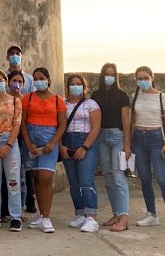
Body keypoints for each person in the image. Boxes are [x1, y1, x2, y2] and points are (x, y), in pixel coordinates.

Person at [129, 66, 165, 231]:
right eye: (139, 78)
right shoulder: (134, 96)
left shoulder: (162, 97)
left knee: (162, 178)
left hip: (156, 138)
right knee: (144, 178)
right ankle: (152, 214)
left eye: (145, 77)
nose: (142, 81)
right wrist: (128, 144)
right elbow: (132, 121)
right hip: (138, 139)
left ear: (152, 77)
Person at [20, 67, 66, 233]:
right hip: (31, 139)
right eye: (36, 78)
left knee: (46, 176)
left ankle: (46, 217)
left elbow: (62, 124)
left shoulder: (57, 100)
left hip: (49, 138)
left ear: (48, 79)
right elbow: (22, 122)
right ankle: (41, 213)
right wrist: (28, 143)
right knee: (36, 177)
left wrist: (53, 143)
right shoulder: (28, 98)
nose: (39, 81)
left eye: (41, 78)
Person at [89, 62, 132, 232]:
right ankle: (116, 213)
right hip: (101, 137)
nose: (109, 77)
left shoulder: (122, 95)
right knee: (107, 176)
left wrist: (127, 145)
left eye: (112, 74)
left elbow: (126, 121)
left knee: (118, 175)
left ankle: (124, 217)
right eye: (107, 73)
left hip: (117, 136)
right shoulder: (96, 95)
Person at [61, 74, 102, 233]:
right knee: (74, 182)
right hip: (67, 142)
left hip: (85, 141)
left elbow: (96, 127)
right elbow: (58, 126)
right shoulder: (62, 104)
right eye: (72, 84)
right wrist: (60, 146)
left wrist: (84, 147)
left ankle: (92, 216)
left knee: (86, 180)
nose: (75, 87)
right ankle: (80, 214)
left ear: (84, 87)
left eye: (78, 84)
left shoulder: (91, 104)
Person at [0, 70, 23, 231]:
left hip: (10, 142)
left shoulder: (15, 101)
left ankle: (16, 217)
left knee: (13, 180)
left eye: (0, 80)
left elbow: (17, 124)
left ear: (6, 81)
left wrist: (8, 145)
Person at [8, 69, 36, 215]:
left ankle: (22, 208)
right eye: (14, 80)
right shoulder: (4, 99)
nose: (17, 84)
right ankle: (6, 209)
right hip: (7, 139)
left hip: (23, 140)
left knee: (22, 176)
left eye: (20, 81)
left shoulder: (26, 100)